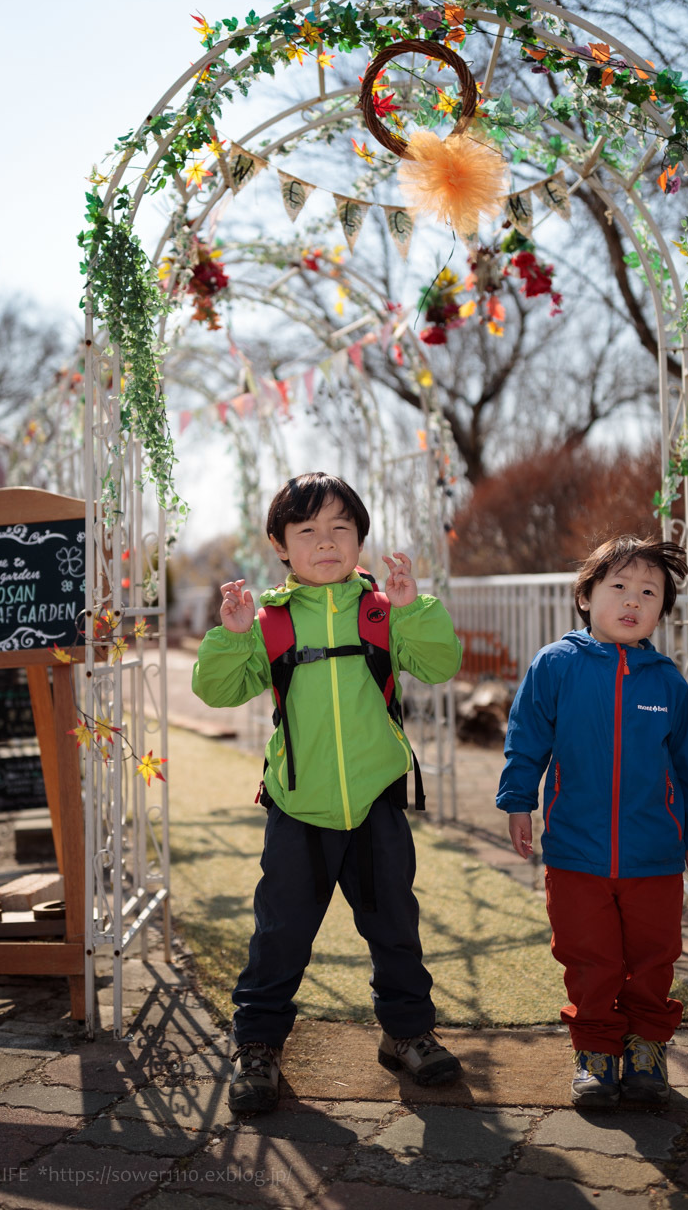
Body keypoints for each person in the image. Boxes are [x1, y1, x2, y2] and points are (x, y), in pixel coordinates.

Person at [193, 472, 464, 1114]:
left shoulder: (382, 609)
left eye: (341, 527)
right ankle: (258, 1047)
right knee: (280, 934)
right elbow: (218, 691)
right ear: (279, 544)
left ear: (360, 539)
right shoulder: (272, 619)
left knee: (395, 927)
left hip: (376, 805)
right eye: (307, 529)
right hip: (297, 809)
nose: (325, 541)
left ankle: (407, 1035)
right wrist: (233, 635)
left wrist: (412, 610)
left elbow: (440, 665)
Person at [496, 536, 688, 1108]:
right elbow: (527, 741)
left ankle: (646, 1048)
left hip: (653, 854)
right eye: (618, 587)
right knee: (589, 955)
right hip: (576, 852)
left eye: (649, 592)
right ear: (586, 597)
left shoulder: (667, 682)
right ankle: (596, 1051)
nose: (632, 600)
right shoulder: (556, 666)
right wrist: (517, 801)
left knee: (653, 955)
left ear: (660, 611)